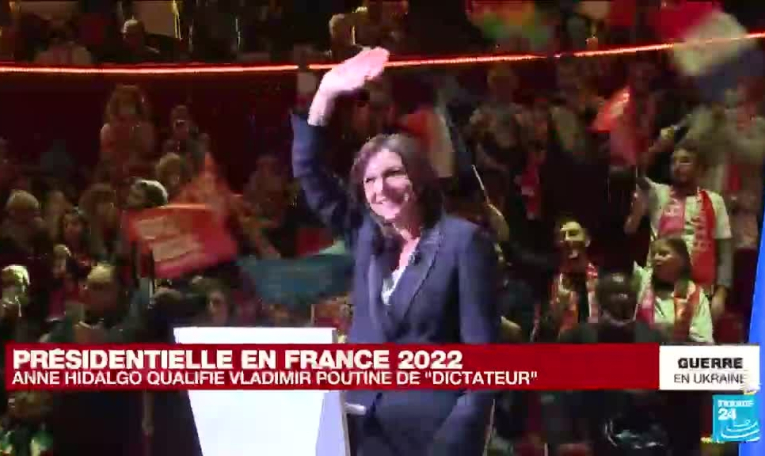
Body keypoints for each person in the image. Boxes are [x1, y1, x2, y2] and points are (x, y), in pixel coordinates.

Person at [292, 48, 499, 456]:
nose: (380, 189)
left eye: (393, 174)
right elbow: (310, 172)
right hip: (361, 427)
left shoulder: (464, 243)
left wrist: (452, 443)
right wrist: (325, 95)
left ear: (419, 178)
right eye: (369, 181)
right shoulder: (365, 235)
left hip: (432, 435)